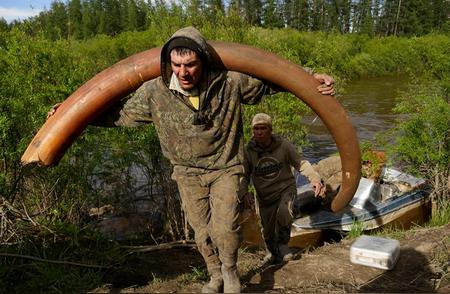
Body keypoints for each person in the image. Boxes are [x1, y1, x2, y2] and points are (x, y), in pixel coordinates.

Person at [48, 27, 335, 293]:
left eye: (190, 65)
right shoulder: (154, 92)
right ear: (168, 63)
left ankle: (231, 270)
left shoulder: (230, 82)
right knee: (202, 231)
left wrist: (311, 77)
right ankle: (215, 274)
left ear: (204, 61)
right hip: (186, 172)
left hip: (226, 167)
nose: (183, 72)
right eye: (176, 65)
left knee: (225, 228)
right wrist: (69, 113)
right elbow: (115, 113)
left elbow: (273, 79)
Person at [241, 113, 324, 264]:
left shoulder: (283, 145)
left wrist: (315, 178)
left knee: (284, 213)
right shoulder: (249, 151)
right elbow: (245, 175)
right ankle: (272, 252)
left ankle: (283, 246)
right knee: (267, 227)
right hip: (264, 195)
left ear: (270, 130)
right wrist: (244, 191)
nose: (259, 132)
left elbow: (300, 163)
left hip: (285, 188)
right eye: (256, 129)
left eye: (263, 128)